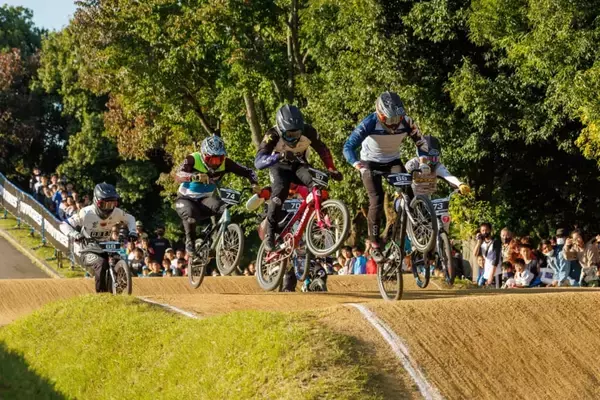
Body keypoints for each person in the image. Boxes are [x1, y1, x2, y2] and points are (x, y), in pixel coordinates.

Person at [343, 91, 428, 261]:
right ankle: (374, 244)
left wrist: (424, 162)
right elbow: (348, 147)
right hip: (369, 163)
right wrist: (357, 164)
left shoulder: (407, 122)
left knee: (408, 192)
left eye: (397, 118)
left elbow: (421, 142)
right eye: (389, 119)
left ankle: (413, 227)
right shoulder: (369, 122)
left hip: (392, 161)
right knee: (377, 199)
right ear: (379, 114)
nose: (394, 123)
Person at [254, 105, 342, 251]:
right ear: (280, 129)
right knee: (279, 194)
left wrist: (331, 168)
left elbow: (323, 150)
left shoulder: (309, 131)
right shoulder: (272, 135)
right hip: (279, 168)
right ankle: (270, 233)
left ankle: (318, 219)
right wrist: (279, 156)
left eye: (297, 134)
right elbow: (258, 162)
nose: (294, 138)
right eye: (289, 135)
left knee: (316, 184)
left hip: (299, 166)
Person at [175, 135, 259, 259]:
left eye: (219, 159)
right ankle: (190, 242)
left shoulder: (226, 163)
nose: (215, 163)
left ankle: (218, 241)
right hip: (185, 199)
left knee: (223, 207)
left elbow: (249, 171)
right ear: (203, 155)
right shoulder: (193, 158)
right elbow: (178, 175)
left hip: (204, 200)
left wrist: (254, 184)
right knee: (190, 213)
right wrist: (194, 176)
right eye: (211, 159)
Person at [60, 183, 137, 293]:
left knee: (118, 260)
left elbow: (130, 218)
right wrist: (76, 235)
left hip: (106, 246)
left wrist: (133, 232)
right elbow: (63, 224)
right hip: (88, 249)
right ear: (97, 201)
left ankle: (117, 287)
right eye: (105, 204)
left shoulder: (117, 212)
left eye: (112, 204)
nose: (109, 208)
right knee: (101, 263)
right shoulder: (86, 213)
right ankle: (101, 294)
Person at [404, 135, 470, 198]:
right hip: (410, 196)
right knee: (406, 199)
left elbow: (448, 176)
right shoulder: (412, 164)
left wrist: (459, 184)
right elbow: (401, 178)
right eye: (428, 158)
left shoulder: (437, 166)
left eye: (435, 158)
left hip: (427, 200)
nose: (431, 162)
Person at [473, 222, 502, 288]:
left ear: (490, 230)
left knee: (497, 292)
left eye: (486, 230)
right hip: (486, 273)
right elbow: (475, 254)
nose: (485, 232)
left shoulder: (495, 241)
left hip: (495, 273)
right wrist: (478, 242)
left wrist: (491, 275)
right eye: (482, 230)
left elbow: (496, 259)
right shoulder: (482, 243)